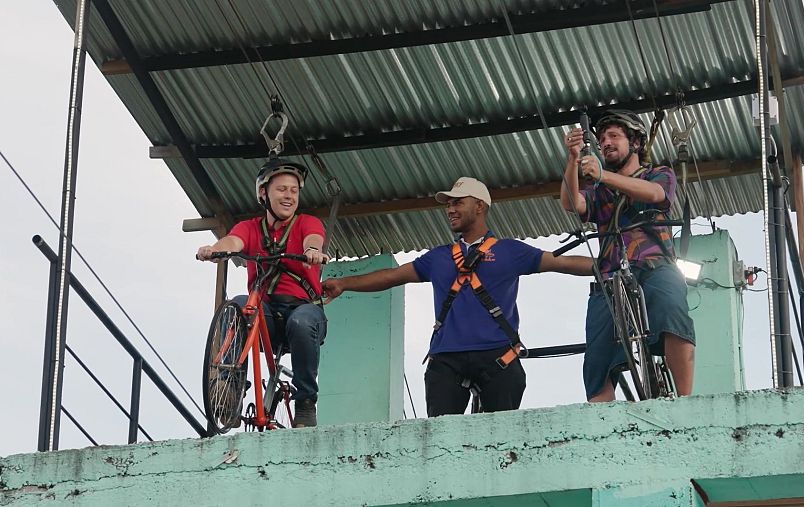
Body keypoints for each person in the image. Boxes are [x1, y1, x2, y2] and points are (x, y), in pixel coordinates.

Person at [322, 177, 594, 417]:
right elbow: (393, 276)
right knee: (440, 438)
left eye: (457, 203)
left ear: (480, 206)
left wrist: (609, 265)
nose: (450, 209)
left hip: (498, 357)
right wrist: (344, 284)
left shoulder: (510, 251)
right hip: (447, 360)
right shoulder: (438, 257)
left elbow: (564, 263)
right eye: (448, 205)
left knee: (502, 442)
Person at [560, 109, 695, 402]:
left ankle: (686, 401)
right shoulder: (598, 189)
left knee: (672, 311)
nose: (605, 142)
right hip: (610, 274)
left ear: (635, 142)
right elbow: (573, 203)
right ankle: (602, 422)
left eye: (613, 136)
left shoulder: (657, 173)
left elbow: (656, 194)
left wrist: (603, 175)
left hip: (654, 265)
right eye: (601, 139)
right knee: (597, 356)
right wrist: (572, 161)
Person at [197, 158, 329, 428]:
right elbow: (233, 241)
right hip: (265, 312)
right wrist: (215, 249)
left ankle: (305, 401)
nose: (289, 196)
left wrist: (312, 252)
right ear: (263, 194)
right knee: (238, 305)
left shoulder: (307, 223)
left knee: (302, 321)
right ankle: (229, 387)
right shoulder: (249, 227)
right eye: (282, 189)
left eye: (294, 191)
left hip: (302, 310)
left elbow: (313, 239)